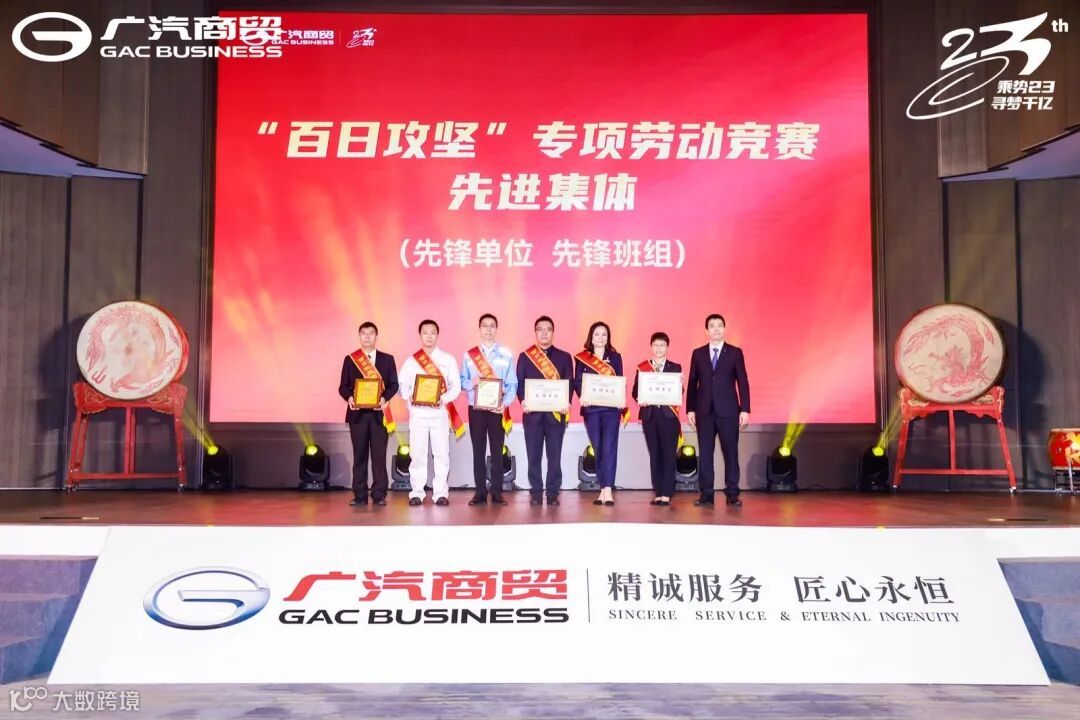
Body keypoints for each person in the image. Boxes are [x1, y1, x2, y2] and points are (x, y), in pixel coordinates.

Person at [686, 314, 750, 507]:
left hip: (728, 411)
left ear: (724, 329)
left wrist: (745, 409)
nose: (716, 329)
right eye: (712, 326)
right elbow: (692, 382)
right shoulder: (698, 353)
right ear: (706, 330)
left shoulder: (735, 352)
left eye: (719, 325)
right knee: (705, 454)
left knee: (730, 452)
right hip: (704, 411)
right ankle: (706, 493)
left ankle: (732, 493)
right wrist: (690, 408)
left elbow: (742, 381)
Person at [397, 319, 462, 506]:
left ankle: (440, 493)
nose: (429, 336)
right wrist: (410, 398)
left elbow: (456, 386)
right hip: (418, 414)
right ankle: (417, 492)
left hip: (439, 413)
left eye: (432, 332)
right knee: (417, 454)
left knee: (441, 453)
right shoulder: (412, 361)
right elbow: (402, 386)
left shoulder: (448, 359)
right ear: (420, 335)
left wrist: (444, 399)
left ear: (437, 335)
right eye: (425, 333)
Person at [338, 321, 398, 506]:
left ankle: (379, 495)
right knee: (359, 456)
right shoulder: (350, 359)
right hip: (358, 415)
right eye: (363, 333)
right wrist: (349, 397)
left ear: (376, 336)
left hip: (379, 414)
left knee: (379, 457)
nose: (367, 336)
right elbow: (343, 386)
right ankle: (360, 495)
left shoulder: (387, 359)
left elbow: (394, 385)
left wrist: (384, 398)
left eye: (371, 333)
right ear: (359, 336)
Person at [516, 316, 573, 506]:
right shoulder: (525, 356)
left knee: (554, 456)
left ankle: (552, 493)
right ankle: (536, 492)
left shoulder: (564, 357)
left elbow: (569, 383)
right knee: (534, 456)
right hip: (532, 415)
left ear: (553, 332)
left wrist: (566, 402)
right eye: (540, 329)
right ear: (535, 332)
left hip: (556, 415)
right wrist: (523, 400)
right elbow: (520, 384)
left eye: (548, 329)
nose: (544, 333)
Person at [461, 313, 517, 506]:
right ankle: (480, 492)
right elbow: (461, 381)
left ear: (496, 329)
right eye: (485, 326)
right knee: (478, 450)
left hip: (497, 409)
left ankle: (497, 492)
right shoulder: (469, 355)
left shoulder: (506, 354)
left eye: (492, 326)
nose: (488, 329)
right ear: (479, 329)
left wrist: (505, 403)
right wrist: (472, 382)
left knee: (497, 450)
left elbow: (512, 383)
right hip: (475, 409)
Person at [573, 321, 624, 506]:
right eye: (597, 334)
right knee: (598, 448)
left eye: (604, 334)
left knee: (609, 447)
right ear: (591, 337)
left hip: (611, 409)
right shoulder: (582, 357)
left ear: (608, 338)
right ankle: (602, 489)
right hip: (592, 410)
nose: (600, 338)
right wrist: (582, 396)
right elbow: (578, 381)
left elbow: (619, 380)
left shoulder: (615, 357)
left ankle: (608, 489)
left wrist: (620, 398)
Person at [632, 332, 682, 506]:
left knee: (669, 454)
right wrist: (640, 398)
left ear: (667, 347)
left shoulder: (675, 367)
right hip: (650, 416)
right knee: (655, 455)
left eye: (662, 345)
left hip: (669, 417)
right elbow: (635, 391)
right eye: (656, 345)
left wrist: (680, 384)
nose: (659, 348)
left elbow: (678, 393)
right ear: (651, 347)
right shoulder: (642, 368)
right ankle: (658, 492)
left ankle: (667, 492)